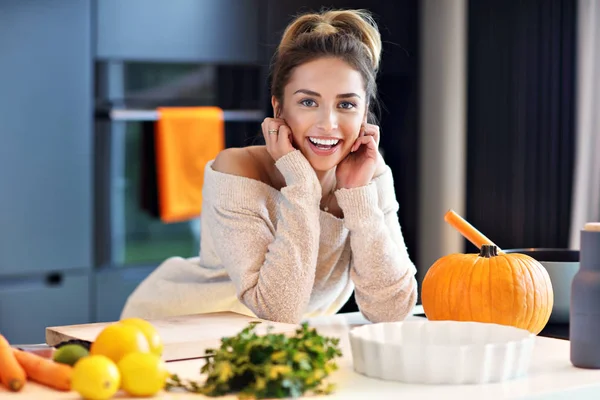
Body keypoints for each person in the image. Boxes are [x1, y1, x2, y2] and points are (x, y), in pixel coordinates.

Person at [121, 8, 418, 324]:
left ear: (364, 113)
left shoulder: (368, 175)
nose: (328, 124)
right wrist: (302, 185)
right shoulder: (237, 169)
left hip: (276, 344)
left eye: (346, 104)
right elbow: (277, 308)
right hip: (176, 327)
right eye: (308, 102)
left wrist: (358, 196)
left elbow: (392, 311)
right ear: (279, 107)